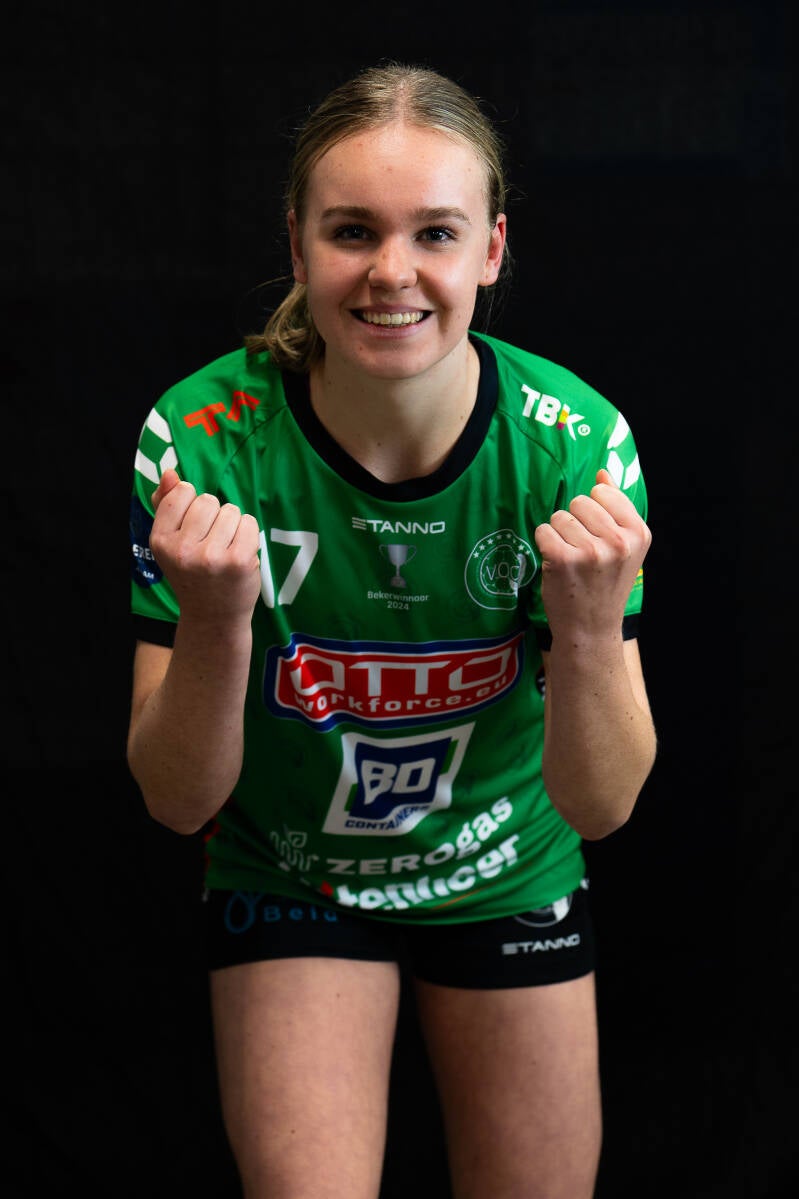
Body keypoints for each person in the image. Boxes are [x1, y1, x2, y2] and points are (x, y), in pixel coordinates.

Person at [127, 60, 657, 1199]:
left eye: (435, 233)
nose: (391, 272)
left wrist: (587, 623)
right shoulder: (199, 439)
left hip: (508, 862)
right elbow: (176, 799)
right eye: (352, 231)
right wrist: (216, 618)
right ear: (297, 243)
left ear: (491, 251)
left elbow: (603, 804)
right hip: (289, 870)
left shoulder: (576, 447)